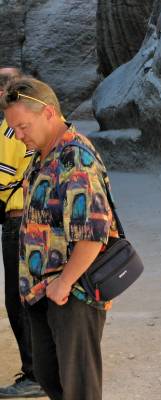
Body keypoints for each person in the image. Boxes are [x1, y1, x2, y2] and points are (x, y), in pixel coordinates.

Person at [0, 77, 118, 400]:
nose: (18, 136)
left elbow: (93, 234)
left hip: (73, 295)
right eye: (13, 129)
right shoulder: (44, 154)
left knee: (78, 388)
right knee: (50, 378)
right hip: (43, 292)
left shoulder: (75, 158)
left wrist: (64, 282)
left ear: (49, 113)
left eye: (22, 126)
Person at [0, 67, 45, 398]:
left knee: (19, 301)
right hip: (42, 219)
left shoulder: (8, 131)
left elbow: (2, 181)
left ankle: (35, 374)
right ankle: (48, 367)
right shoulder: (40, 122)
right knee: (39, 293)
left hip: (17, 221)